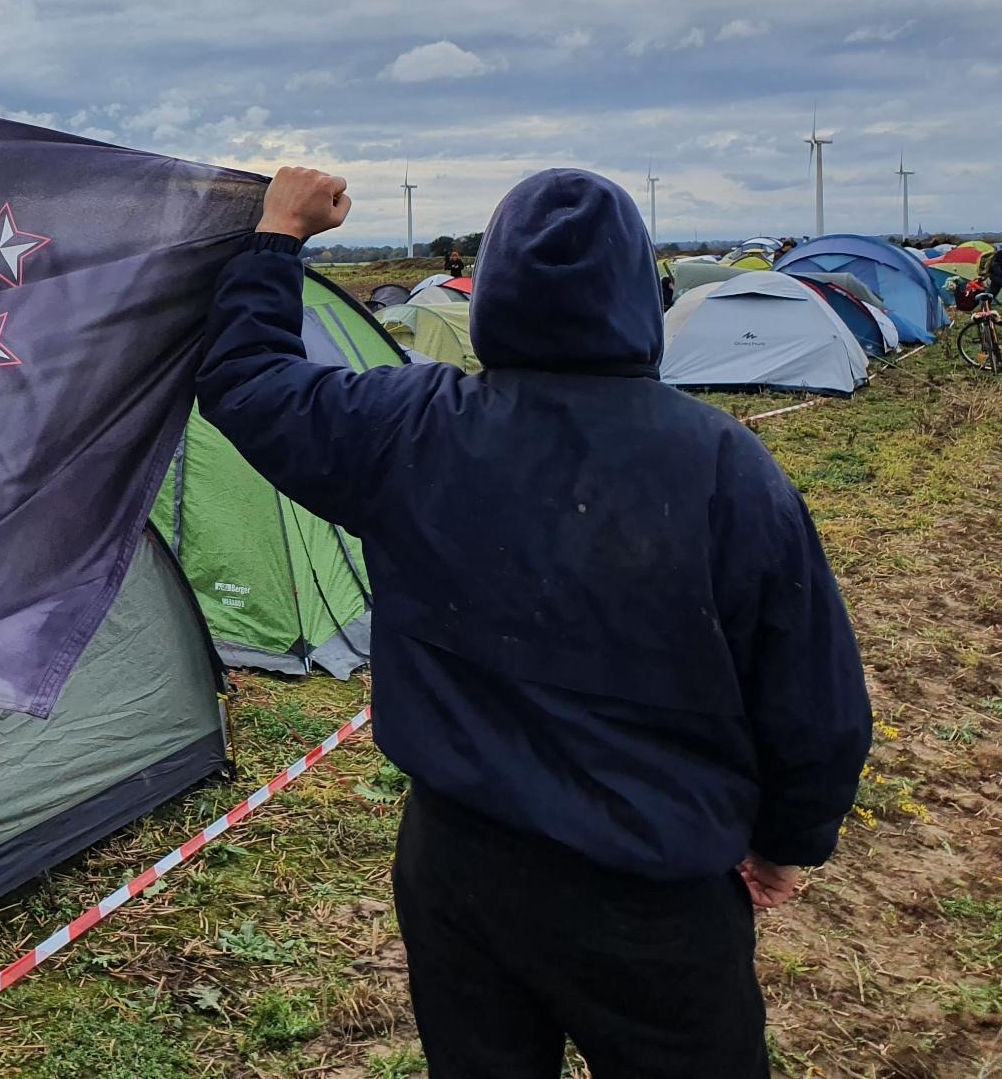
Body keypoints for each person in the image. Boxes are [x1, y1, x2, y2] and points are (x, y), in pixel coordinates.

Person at [197, 165, 871, 1079]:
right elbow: (812, 696)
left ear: (495, 290)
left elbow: (246, 379)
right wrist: (790, 842)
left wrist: (278, 236)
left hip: (460, 870)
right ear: (642, 290)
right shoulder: (725, 466)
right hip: (655, 889)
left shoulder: (411, 425)